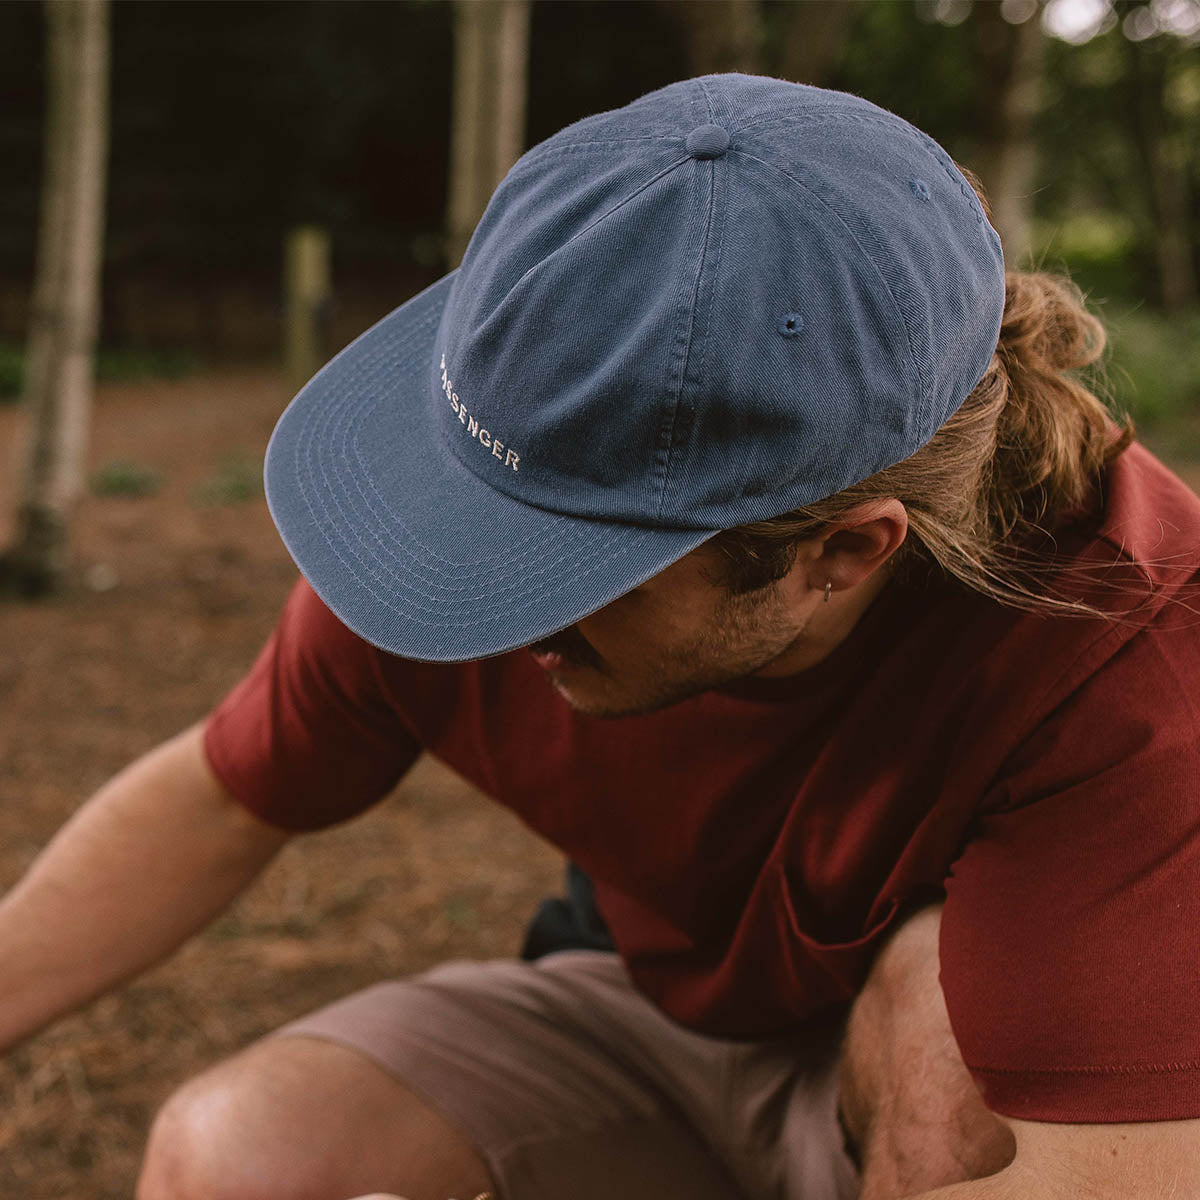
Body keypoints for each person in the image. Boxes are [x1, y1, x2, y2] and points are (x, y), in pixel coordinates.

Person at [3, 74, 1198, 1200]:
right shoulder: (450, 537)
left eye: (571, 562)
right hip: (648, 1015)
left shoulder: (1132, 656)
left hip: (953, 1073)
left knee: (947, 1058)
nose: (481, 599)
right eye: (478, 508)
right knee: (241, 1157)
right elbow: (228, 794)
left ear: (843, 551)